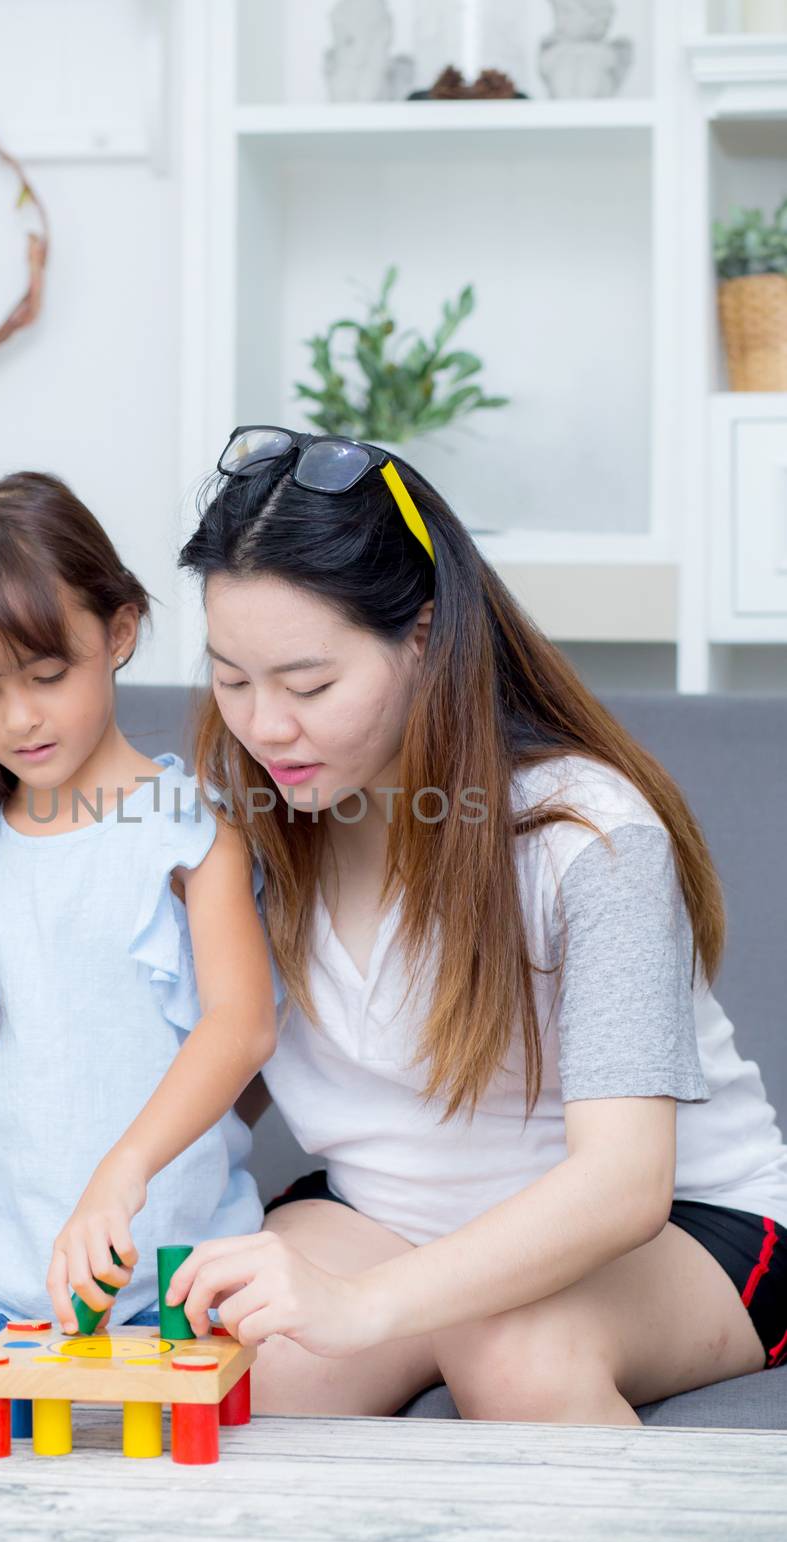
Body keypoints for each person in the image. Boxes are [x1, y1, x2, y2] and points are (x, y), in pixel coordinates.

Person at [164, 425, 787, 1425]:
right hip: (387, 1212)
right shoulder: (246, 816)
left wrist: (361, 1304)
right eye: (231, 680)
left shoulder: (589, 836)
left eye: (309, 684)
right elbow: (217, 1060)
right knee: (232, 1377)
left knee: (515, 1356)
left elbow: (625, 1181)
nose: (264, 726)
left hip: (660, 1225)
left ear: (422, 635)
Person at [0, 469, 280, 1396]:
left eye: (48, 676)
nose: (19, 717)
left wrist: (118, 1174)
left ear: (120, 633)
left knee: (185, 1453)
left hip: (176, 1277)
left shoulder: (188, 829)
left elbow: (243, 1027)